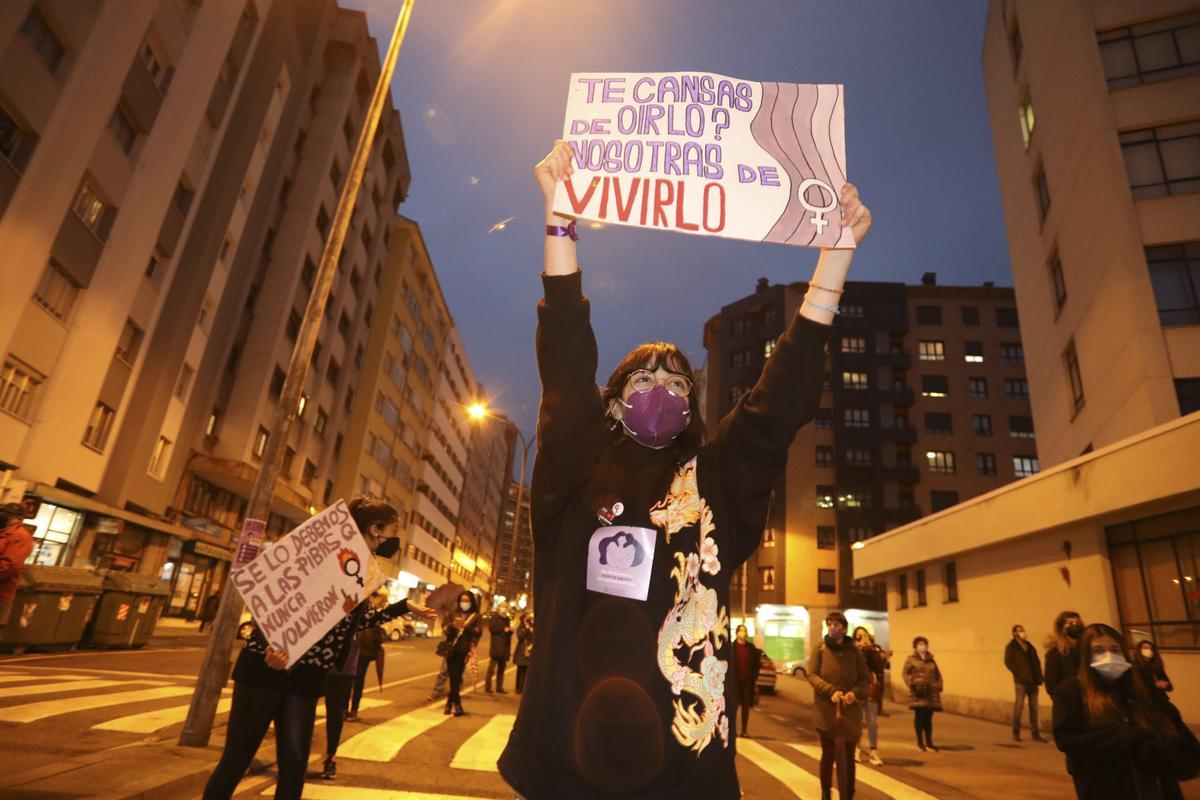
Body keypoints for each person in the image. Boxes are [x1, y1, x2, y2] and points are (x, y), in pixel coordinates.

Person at [497, 139, 872, 800]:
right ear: (611, 405)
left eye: (677, 383)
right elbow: (564, 364)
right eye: (642, 379)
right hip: (566, 763)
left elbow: (775, 405)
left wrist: (834, 260)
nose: (662, 390)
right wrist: (560, 220)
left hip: (684, 769)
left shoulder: (712, 483)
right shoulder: (573, 474)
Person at [202, 497, 438, 800]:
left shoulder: (363, 569)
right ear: (375, 529)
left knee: (295, 764)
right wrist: (271, 644)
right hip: (266, 668)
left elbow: (352, 623)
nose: (396, 539)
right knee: (237, 758)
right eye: (394, 530)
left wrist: (404, 607)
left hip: (307, 674)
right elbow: (276, 596)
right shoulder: (324, 553)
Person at [1052, 623, 1200, 799]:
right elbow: (1069, 739)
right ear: (1085, 656)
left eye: (1115, 649)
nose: (1109, 656)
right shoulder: (1073, 691)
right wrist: (1127, 738)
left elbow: (1185, 747)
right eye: (1098, 650)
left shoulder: (1145, 691)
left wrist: (1162, 757)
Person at [807, 611, 870, 800]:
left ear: (844, 628)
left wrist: (854, 694)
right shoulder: (820, 648)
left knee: (848, 756)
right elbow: (812, 675)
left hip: (849, 712)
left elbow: (864, 679)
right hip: (827, 711)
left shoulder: (854, 651)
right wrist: (830, 691)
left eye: (836, 625)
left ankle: (848, 793)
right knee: (829, 753)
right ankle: (826, 792)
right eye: (829, 625)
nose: (832, 628)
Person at [441, 590, 482, 716]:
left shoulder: (475, 616)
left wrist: (466, 626)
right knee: (454, 676)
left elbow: (478, 633)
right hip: (451, 649)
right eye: (462, 600)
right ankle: (457, 705)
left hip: (464, 650)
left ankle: (449, 703)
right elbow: (445, 629)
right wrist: (452, 626)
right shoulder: (453, 613)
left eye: (467, 601)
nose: (464, 603)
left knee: (457, 677)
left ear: (471, 602)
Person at [1005, 624, 1046, 742]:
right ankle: (1016, 732)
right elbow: (1008, 662)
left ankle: (1035, 733)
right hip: (1021, 682)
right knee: (1019, 707)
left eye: (1023, 630)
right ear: (1015, 633)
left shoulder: (1030, 646)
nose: (1023, 632)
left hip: (1033, 682)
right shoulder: (1011, 647)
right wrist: (1018, 673)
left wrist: (1039, 677)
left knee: (1034, 709)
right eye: (1020, 631)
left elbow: (1036, 662)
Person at [903, 636, 943, 752]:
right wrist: (912, 685)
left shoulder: (931, 660)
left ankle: (929, 742)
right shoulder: (911, 660)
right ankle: (920, 742)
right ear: (915, 647)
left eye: (924, 644)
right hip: (918, 693)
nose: (923, 646)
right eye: (920, 644)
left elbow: (938, 675)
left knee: (928, 718)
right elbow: (905, 674)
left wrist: (939, 686)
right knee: (920, 717)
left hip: (931, 693)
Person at [853, 626, 886, 765]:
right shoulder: (852, 651)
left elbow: (879, 668)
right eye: (859, 637)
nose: (863, 639)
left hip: (871, 689)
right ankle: (857, 748)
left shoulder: (873, 651)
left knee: (872, 721)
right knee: (857, 721)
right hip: (856, 690)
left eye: (865, 636)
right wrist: (859, 650)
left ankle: (874, 750)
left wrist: (871, 650)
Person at [0, 503, 34, 628]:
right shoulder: (5, 533)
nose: (3, 516)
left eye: (7, 514)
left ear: (18, 518)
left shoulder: (20, 536)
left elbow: (10, 566)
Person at [349, 619, 385, 720]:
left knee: (350, 683)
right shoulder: (371, 621)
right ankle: (353, 711)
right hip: (362, 656)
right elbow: (378, 640)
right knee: (357, 683)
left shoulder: (360, 621)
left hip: (358, 655)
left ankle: (347, 711)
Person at [730, 625, 762, 738]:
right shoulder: (732, 647)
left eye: (744, 631)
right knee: (734, 706)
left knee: (745, 707)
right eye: (741, 631)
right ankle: (732, 730)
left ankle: (744, 730)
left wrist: (753, 677)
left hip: (747, 682)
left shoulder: (750, 648)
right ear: (737, 633)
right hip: (734, 682)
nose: (743, 633)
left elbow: (757, 664)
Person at [1045, 610, 1084, 699]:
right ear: (1062, 629)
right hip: (1069, 700)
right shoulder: (1055, 652)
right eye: (1070, 623)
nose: (1075, 625)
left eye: (1077, 622)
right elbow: (1051, 684)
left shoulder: (1086, 649)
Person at [485, 602, 513, 693]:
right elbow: (492, 629)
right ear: (499, 608)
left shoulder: (507, 619)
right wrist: (503, 629)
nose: (504, 608)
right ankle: (488, 687)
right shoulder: (494, 617)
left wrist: (510, 631)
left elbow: (508, 632)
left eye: (506, 607)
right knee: (492, 668)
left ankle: (499, 687)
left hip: (505, 646)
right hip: (496, 645)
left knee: (502, 668)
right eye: (503, 607)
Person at [513, 613, 533, 694]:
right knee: (520, 670)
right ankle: (518, 688)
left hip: (530, 649)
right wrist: (527, 629)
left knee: (527, 670)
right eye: (527, 617)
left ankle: (524, 688)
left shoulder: (532, 626)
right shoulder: (521, 627)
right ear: (524, 619)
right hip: (522, 650)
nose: (529, 619)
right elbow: (520, 636)